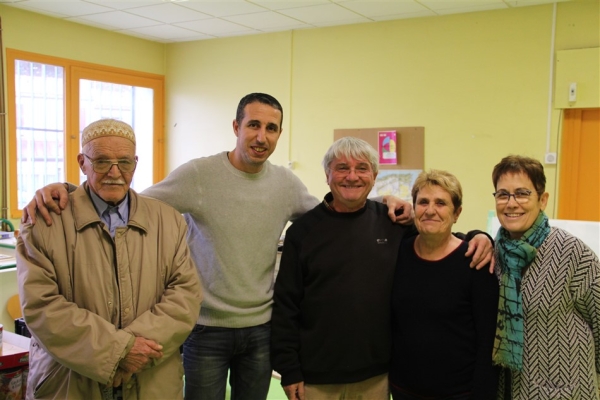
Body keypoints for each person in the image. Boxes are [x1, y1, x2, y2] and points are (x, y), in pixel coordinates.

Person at [21, 94, 422, 400]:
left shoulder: (285, 184)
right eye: (253, 125)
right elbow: (127, 195)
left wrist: (383, 203)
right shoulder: (198, 175)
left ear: (279, 134)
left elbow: (335, 214)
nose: (261, 136)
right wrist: (69, 191)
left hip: (260, 329)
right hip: (204, 329)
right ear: (236, 126)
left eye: (271, 128)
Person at [270, 138, 494, 400]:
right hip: (316, 378)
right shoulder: (302, 232)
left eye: (362, 168)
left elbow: (436, 235)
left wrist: (479, 236)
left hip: (377, 378)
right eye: (342, 167)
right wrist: (290, 369)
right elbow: (286, 306)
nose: (352, 176)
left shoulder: (393, 225)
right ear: (327, 175)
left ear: (374, 176)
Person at [16, 119, 202, 400]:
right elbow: (42, 307)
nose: (115, 173)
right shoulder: (43, 223)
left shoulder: (169, 221)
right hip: (70, 383)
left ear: (135, 164)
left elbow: (185, 295)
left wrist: (131, 351)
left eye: (124, 162)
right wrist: (120, 351)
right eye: (101, 162)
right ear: (82, 162)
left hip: (151, 380)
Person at [490, 155, 600, 399]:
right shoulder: (493, 253)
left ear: (543, 199)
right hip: (506, 390)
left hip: (566, 392)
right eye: (503, 194)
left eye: (522, 193)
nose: (511, 203)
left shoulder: (572, 253)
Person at [389, 169, 499, 399]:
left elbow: (487, 340)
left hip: (459, 393)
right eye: (423, 202)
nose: (430, 210)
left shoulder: (475, 261)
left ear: (456, 212)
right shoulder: (398, 252)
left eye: (441, 203)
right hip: (403, 390)